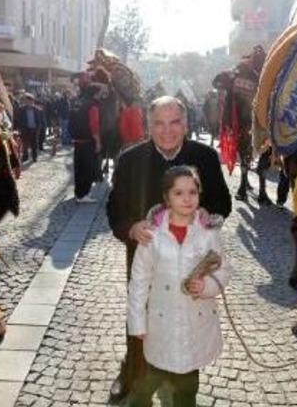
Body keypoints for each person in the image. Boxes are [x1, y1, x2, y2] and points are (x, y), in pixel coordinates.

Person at [106, 96, 231, 404]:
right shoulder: (130, 159)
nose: (167, 131)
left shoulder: (205, 156)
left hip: (191, 261)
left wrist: (207, 213)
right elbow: (114, 209)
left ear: (186, 124)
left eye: (174, 122)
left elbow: (222, 203)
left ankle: (183, 381)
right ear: (148, 126)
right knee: (141, 317)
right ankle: (133, 373)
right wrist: (131, 229)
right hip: (145, 257)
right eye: (159, 124)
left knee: (186, 319)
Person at [126, 166, 232, 407]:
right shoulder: (151, 235)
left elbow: (224, 269)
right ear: (166, 197)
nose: (186, 199)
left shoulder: (208, 234)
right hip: (160, 326)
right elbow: (139, 282)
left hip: (194, 323)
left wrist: (206, 286)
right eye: (178, 193)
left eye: (192, 192)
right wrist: (137, 323)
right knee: (146, 385)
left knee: (187, 389)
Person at [69, 84, 101, 202]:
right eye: (99, 94)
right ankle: (83, 194)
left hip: (77, 140)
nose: (100, 96)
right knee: (87, 168)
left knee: (79, 168)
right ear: (94, 94)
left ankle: (78, 193)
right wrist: (98, 141)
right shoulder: (93, 106)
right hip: (88, 141)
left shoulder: (78, 102)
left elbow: (70, 120)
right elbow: (94, 125)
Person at [14, 93, 41, 163]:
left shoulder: (37, 110)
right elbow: (18, 119)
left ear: (33, 101)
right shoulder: (21, 109)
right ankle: (25, 157)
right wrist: (18, 128)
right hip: (25, 129)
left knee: (34, 144)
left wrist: (39, 128)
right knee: (25, 144)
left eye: (31, 101)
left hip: (34, 129)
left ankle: (34, 157)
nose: (29, 103)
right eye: (28, 101)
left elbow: (40, 120)